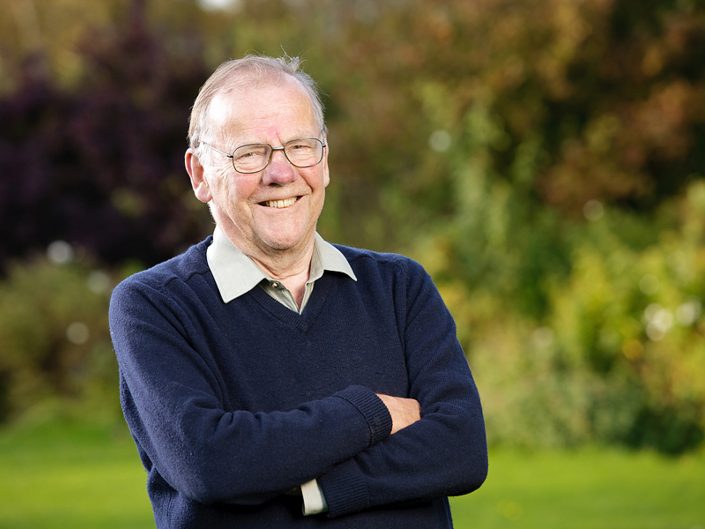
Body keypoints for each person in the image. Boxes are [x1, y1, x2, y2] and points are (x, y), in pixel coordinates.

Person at [109, 54, 487, 529]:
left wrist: (311, 487)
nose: (281, 173)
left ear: (324, 161)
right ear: (200, 174)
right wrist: (371, 413)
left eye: (299, 147)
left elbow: (461, 448)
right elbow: (209, 461)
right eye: (249, 153)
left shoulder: (399, 288)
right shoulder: (155, 306)